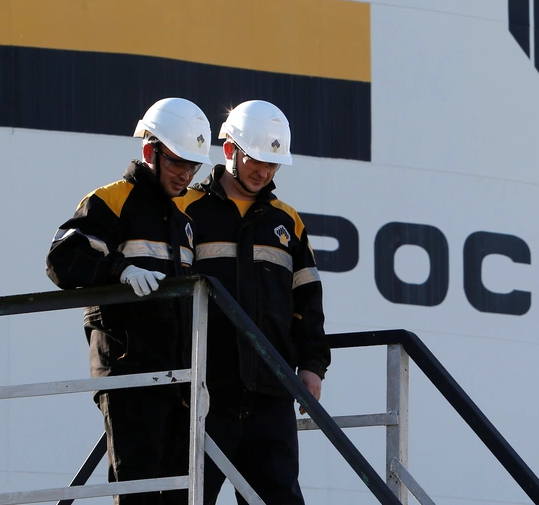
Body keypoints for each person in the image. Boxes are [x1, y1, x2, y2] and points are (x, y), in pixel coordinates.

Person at [46, 97, 213, 505]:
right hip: (128, 372)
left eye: (193, 166)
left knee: (178, 494)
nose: (185, 174)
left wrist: (200, 376)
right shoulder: (110, 200)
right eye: (176, 162)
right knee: (136, 491)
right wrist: (118, 269)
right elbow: (62, 260)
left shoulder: (183, 222)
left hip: (178, 380)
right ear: (148, 151)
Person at [177, 99, 329, 505]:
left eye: (273, 165)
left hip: (271, 391)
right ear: (229, 150)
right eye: (256, 161)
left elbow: (308, 302)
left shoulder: (287, 222)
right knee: (186, 497)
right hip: (203, 391)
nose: (265, 172)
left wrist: (313, 366)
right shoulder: (185, 210)